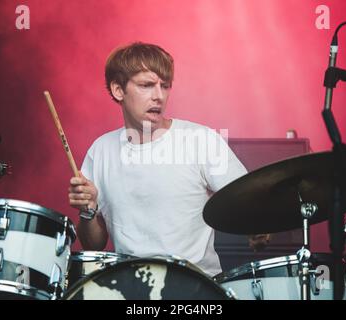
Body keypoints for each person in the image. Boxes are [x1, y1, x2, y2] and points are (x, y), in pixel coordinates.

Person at [68, 42, 269, 276]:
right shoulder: (100, 151)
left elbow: (249, 200)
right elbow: (93, 245)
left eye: (165, 86)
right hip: (131, 289)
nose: (159, 96)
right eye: (147, 85)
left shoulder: (200, 139)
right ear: (118, 90)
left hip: (196, 287)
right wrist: (88, 211)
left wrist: (257, 223)